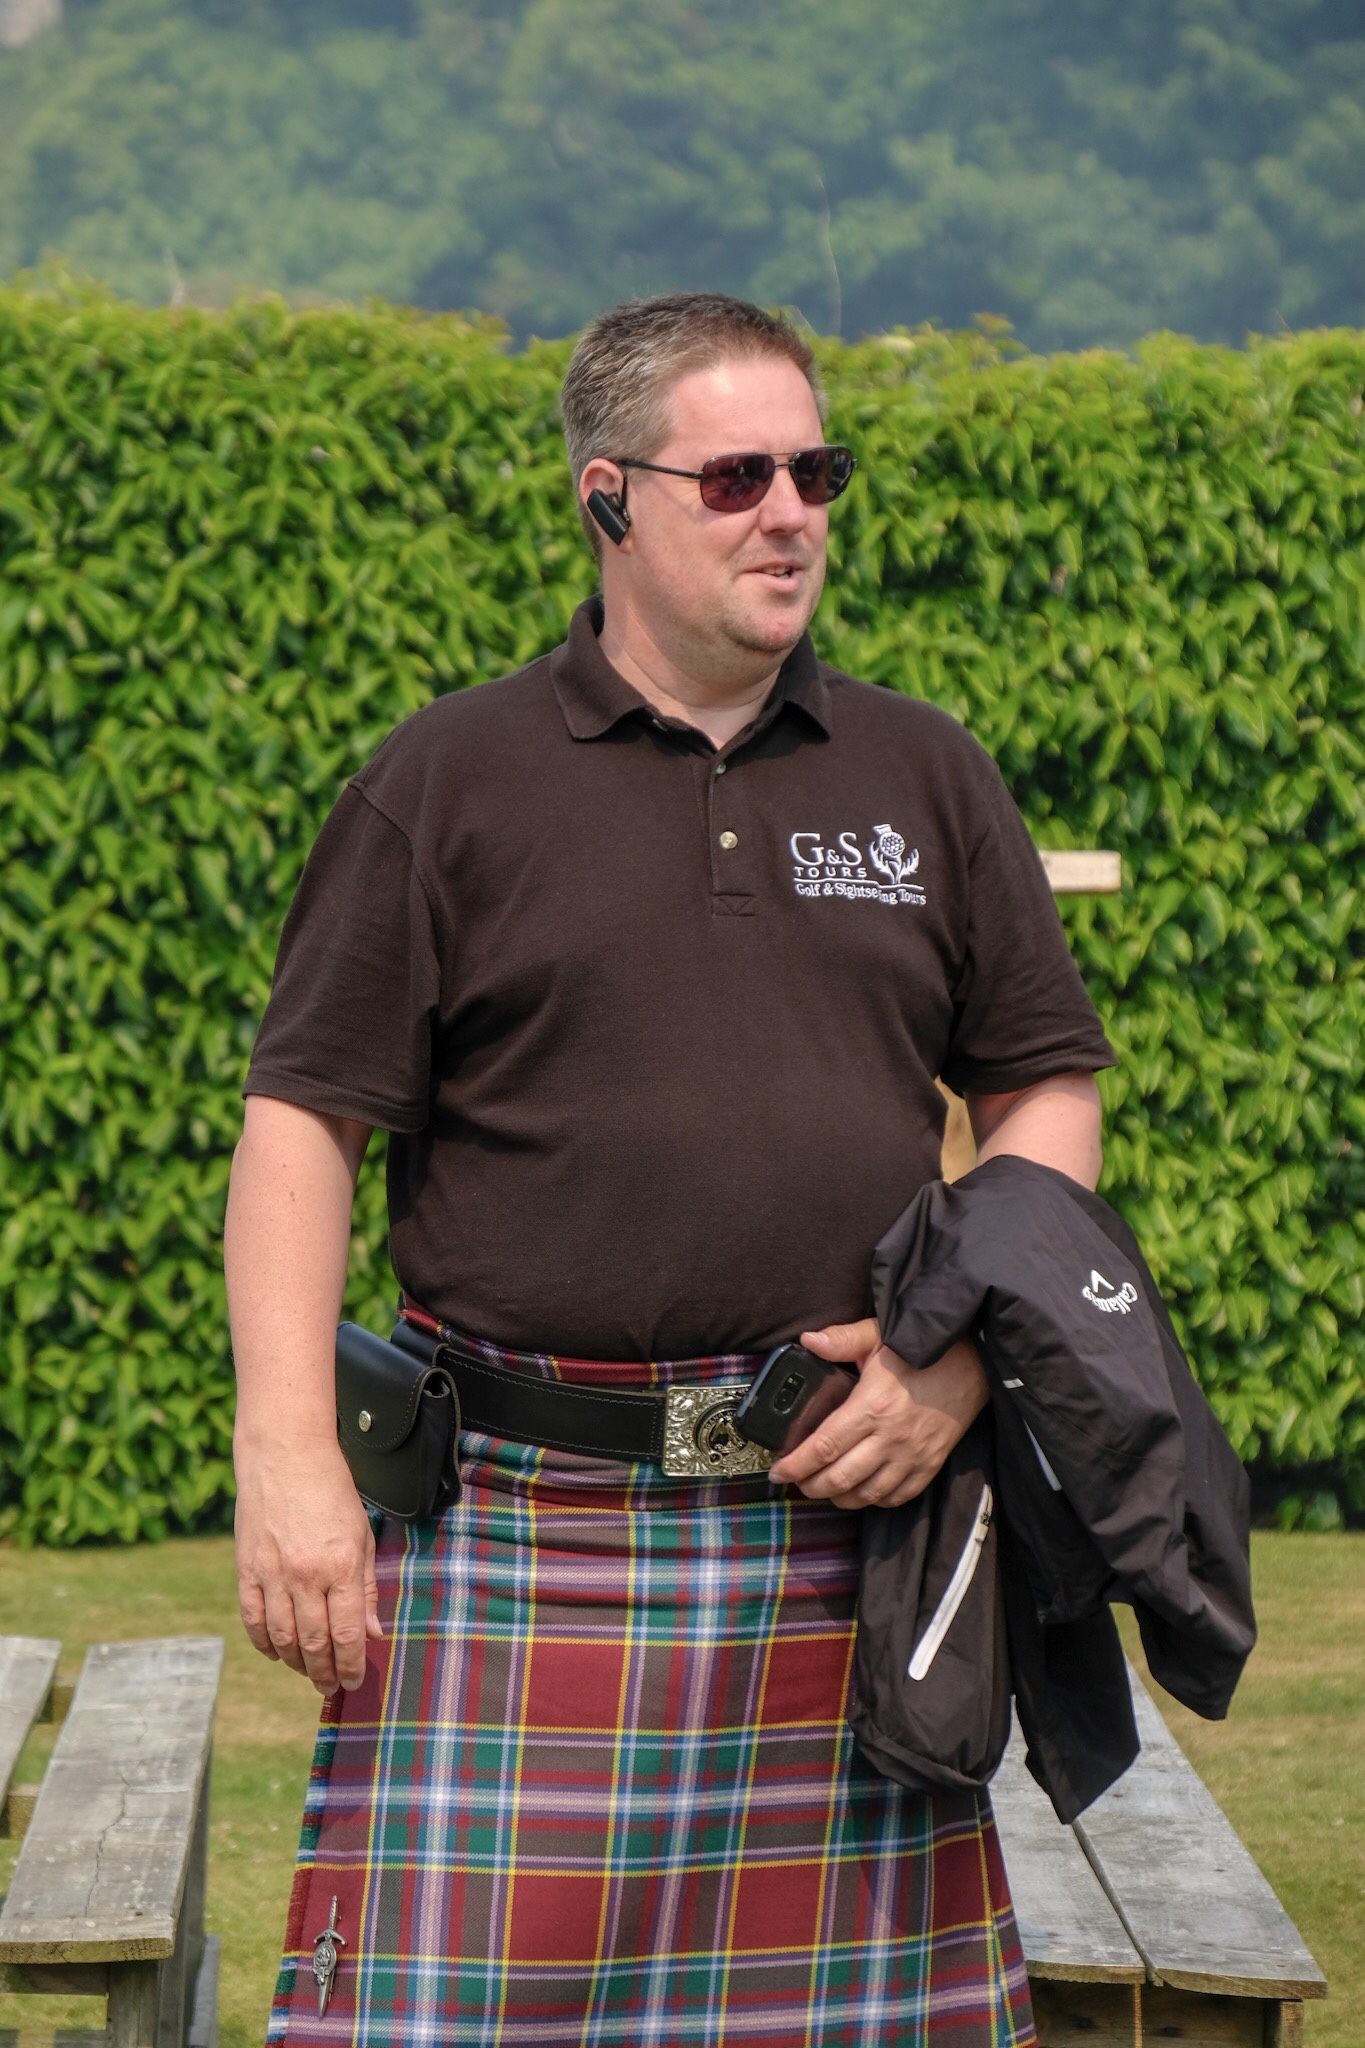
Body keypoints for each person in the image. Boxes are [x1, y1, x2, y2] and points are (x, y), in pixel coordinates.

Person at [227, 291, 1113, 2047]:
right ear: (606, 500)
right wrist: (286, 1451)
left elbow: (1042, 1094)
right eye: (735, 478)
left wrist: (954, 1358)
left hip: (841, 1520)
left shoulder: (922, 771)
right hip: (519, 1528)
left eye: (815, 472)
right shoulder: (447, 779)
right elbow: (299, 1125)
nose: (790, 513)